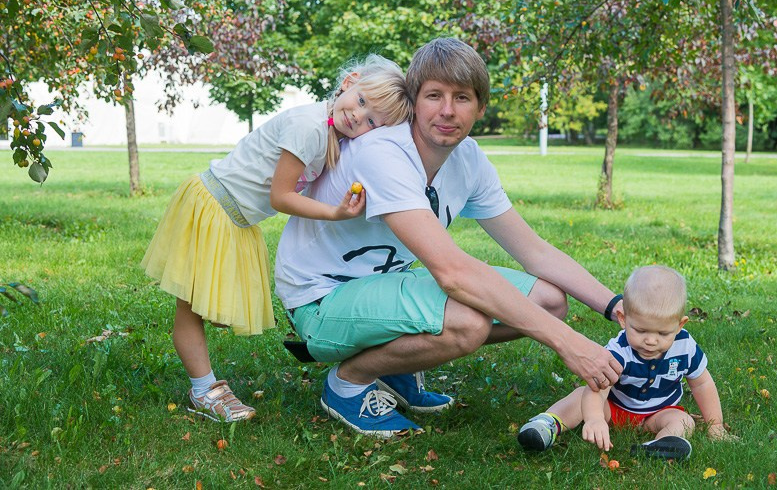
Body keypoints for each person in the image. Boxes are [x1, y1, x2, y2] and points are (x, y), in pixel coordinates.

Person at [274, 37, 624, 438]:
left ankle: (393, 366)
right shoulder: (382, 153)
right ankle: (348, 383)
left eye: (461, 97)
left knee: (548, 302)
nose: (446, 111)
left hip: (381, 287)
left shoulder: (469, 159)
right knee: (468, 323)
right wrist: (568, 344)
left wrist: (615, 307)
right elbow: (452, 273)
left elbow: (535, 252)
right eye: (433, 95)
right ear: (413, 101)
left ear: (480, 107)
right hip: (320, 300)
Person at [141, 55, 413, 422]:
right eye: (363, 102)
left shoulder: (330, 131)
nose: (358, 117)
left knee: (204, 305)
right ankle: (204, 390)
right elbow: (281, 197)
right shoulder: (309, 127)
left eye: (371, 122)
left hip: (236, 218)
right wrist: (336, 213)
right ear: (349, 81)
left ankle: (204, 385)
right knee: (191, 306)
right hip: (214, 207)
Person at [518, 265, 732, 460]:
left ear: (679, 325)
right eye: (640, 330)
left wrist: (716, 426)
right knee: (581, 396)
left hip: (659, 413)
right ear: (623, 319)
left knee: (684, 421)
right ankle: (547, 424)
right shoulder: (619, 351)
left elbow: (702, 383)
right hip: (614, 409)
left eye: (663, 333)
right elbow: (599, 390)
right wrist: (594, 419)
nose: (650, 340)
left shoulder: (685, 347)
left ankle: (658, 444)